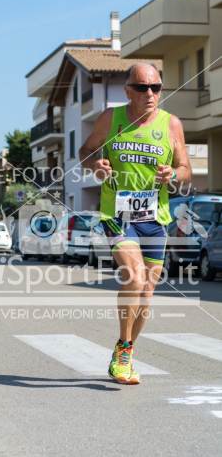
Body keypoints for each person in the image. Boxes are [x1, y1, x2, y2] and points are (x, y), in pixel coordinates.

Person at [79, 63, 191, 385]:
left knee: (147, 292)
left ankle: (124, 348)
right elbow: (85, 152)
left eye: (156, 88)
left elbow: (185, 168)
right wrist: (95, 165)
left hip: (155, 218)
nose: (150, 94)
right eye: (142, 88)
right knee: (135, 277)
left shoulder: (172, 125)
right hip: (118, 214)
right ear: (128, 90)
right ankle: (124, 352)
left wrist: (174, 174)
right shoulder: (110, 119)